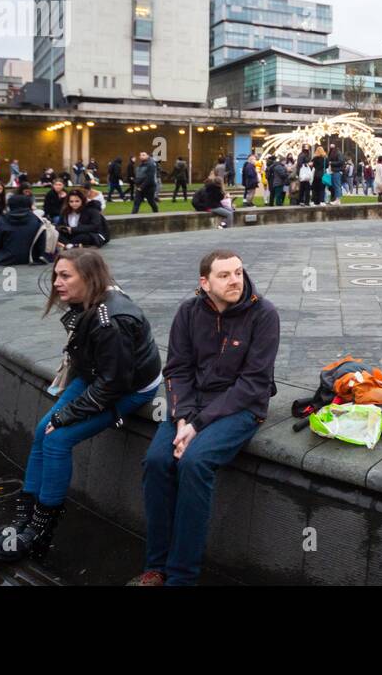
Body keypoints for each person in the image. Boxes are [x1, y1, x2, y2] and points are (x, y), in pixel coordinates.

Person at [0, 250, 162, 563]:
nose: (56, 283)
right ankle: (24, 519)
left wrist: (66, 415)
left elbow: (114, 383)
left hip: (127, 388)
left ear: (89, 279)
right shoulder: (88, 302)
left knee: (58, 438)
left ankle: (39, 531)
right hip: (95, 377)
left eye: (65, 276)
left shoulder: (111, 321)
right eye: (56, 275)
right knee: (41, 432)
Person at [132, 250, 278, 586]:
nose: (234, 281)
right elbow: (177, 370)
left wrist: (197, 426)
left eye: (238, 272)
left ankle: (182, 576)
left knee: (194, 463)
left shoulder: (264, 314)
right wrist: (183, 419)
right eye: (224, 275)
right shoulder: (188, 311)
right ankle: (156, 566)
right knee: (156, 460)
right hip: (191, 405)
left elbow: (253, 384)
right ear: (205, 282)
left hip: (242, 408)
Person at [0, 193, 50, 271]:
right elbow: (42, 245)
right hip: (31, 259)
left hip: (5, 259)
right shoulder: (37, 221)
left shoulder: (3, 221)